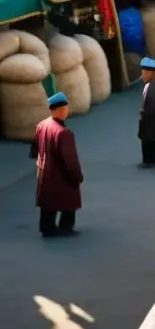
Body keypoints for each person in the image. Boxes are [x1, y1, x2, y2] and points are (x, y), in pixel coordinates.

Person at [30, 92, 84, 237]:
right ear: (61, 109)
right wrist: (77, 175)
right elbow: (70, 160)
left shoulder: (42, 125)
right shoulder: (63, 133)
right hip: (60, 175)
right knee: (68, 199)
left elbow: (34, 149)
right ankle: (66, 227)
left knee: (48, 201)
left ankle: (47, 228)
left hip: (44, 173)